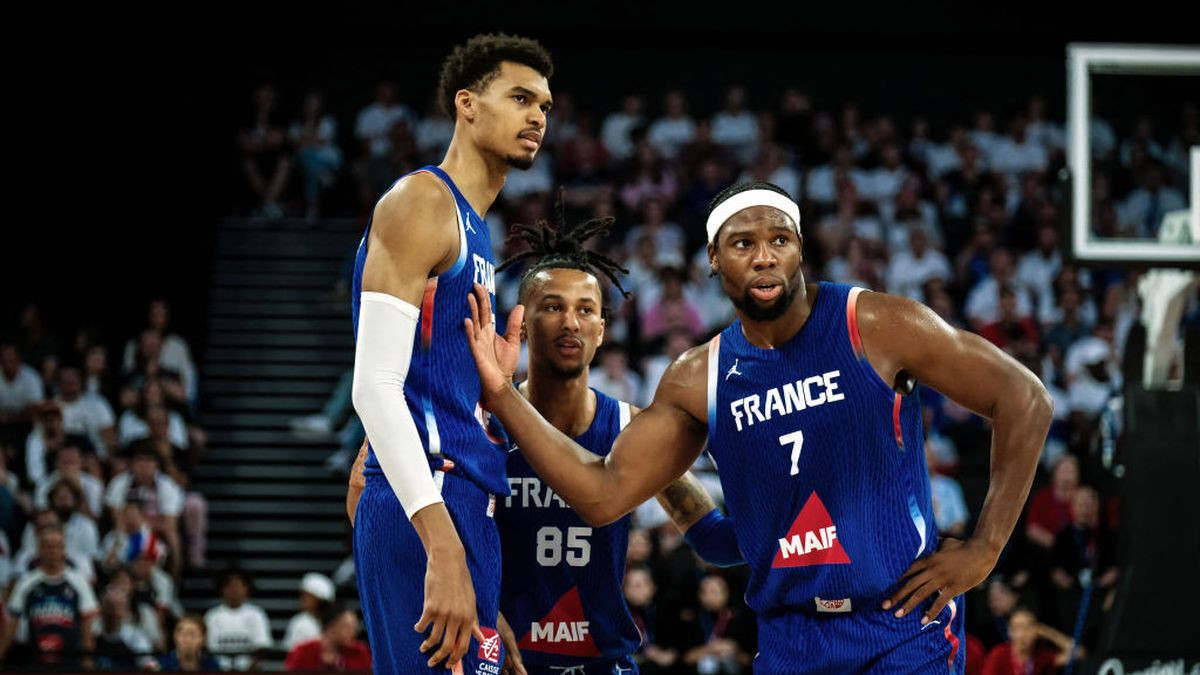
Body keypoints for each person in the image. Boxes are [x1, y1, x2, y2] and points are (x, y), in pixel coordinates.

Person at [464, 181, 1053, 672]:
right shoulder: (699, 377)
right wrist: (500, 393)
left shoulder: (876, 323)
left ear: (800, 250)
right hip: (788, 639)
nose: (764, 256)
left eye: (779, 240)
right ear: (715, 259)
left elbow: (1024, 397)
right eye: (743, 243)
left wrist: (986, 548)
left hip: (901, 627)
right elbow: (602, 494)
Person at [347, 32, 554, 674]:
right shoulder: (422, 202)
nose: (538, 117)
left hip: (463, 506)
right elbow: (373, 386)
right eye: (520, 98)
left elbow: (414, 383)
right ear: (467, 104)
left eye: (545, 106)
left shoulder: (476, 229)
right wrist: (443, 549)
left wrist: (486, 384)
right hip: (433, 507)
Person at [483, 215, 740, 674]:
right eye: (553, 307)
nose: (571, 323)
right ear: (520, 325)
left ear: (602, 330)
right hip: (504, 659)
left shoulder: (634, 430)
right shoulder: (483, 424)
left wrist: (805, 506)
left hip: (604, 661)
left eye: (586, 310)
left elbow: (717, 542)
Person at [0, 524, 98, 670]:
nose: (52, 550)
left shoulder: (79, 582)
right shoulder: (26, 582)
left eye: (56, 546)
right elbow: (10, 628)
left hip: (70, 662)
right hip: (35, 662)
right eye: (47, 546)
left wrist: (88, 664)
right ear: (39, 549)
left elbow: (87, 629)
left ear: (64, 549)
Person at [204, 569, 273, 671]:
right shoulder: (212, 616)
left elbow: (263, 647)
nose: (234, 590)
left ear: (246, 589)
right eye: (230, 586)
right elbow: (208, 649)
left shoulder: (257, 614)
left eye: (238, 586)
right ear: (222, 589)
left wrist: (248, 670)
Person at [980, 608, 1077, 675]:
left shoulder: (1039, 655)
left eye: (1026, 628)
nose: (1021, 634)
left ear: (1035, 631)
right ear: (1009, 632)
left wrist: (1048, 632)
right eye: (1015, 628)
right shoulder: (999, 654)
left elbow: (1077, 653)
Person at [284, 606, 372, 672]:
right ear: (330, 627)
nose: (353, 632)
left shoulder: (360, 652)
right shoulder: (302, 652)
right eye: (347, 627)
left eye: (354, 627)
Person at [284, 572, 336, 650]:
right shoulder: (299, 622)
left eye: (307, 596)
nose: (302, 599)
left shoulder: (335, 623)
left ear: (319, 600)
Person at [156, 614, 221, 672]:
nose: (186, 640)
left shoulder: (212, 666)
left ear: (203, 639)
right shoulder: (161, 665)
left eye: (192, 634)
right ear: (174, 637)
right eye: (181, 634)